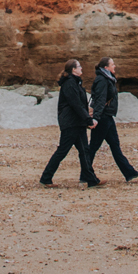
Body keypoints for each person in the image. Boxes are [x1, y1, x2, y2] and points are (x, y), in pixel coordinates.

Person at [39, 58, 100, 186]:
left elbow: (79, 104)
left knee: (84, 151)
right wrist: (88, 119)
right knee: (63, 151)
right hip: (71, 123)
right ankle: (45, 178)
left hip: (77, 123)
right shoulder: (69, 83)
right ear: (73, 69)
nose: (81, 68)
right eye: (79, 66)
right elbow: (75, 104)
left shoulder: (75, 82)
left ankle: (91, 180)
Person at [85, 57, 138, 182]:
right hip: (103, 118)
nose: (114, 66)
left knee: (115, 146)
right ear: (106, 67)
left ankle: (129, 172)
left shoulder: (107, 79)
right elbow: (100, 100)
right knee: (94, 147)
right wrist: (96, 118)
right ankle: (85, 174)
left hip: (107, 117)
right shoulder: (102, 80)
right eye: (112, 64)